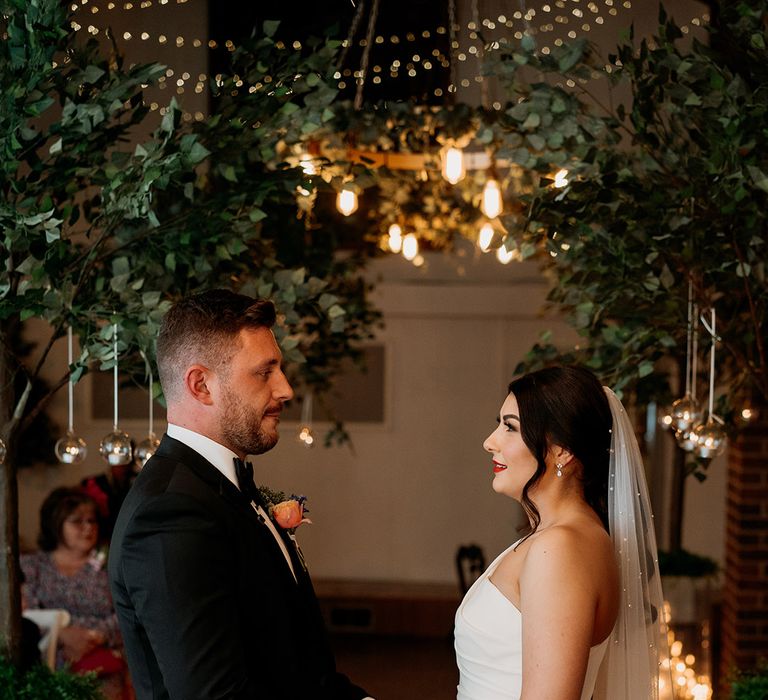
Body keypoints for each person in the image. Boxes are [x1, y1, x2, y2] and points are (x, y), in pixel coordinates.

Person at [108, 289, 372, 700]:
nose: (285, 389)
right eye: (264, 372)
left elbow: (300, 668)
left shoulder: (222, 490)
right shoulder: (169, 513)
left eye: (279, 370)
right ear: (201, 385)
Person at [454, 366, 668, 700]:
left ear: (562, 451)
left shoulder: (559, 549)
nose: (490, 442)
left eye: (510, 427)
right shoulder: (562, 537)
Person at [21, 487, 128, 699]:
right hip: (46, 673)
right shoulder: (32, 566)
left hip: (103, 672)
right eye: (78, 521)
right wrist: (62, 634)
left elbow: (126, 613)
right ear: (55, 523)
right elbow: (24, 616)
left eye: (92, 521)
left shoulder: (111, 565)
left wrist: (93, 636)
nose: (88, 528)